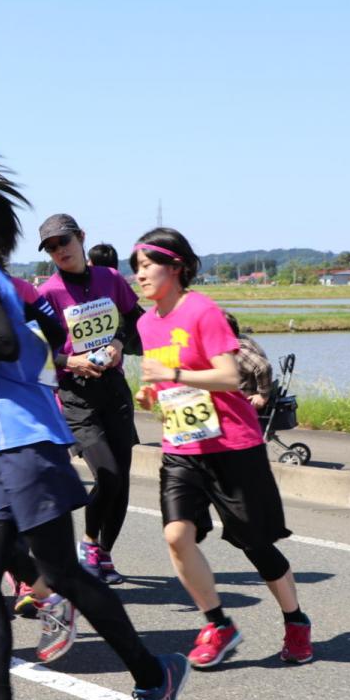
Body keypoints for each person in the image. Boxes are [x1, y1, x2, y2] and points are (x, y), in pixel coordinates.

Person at [0, 152, 188, 700]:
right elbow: (31, 343)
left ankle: (152, 673)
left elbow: (5, 342)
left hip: (26, 443)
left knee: (61, 573)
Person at [133, 227, 313, 669]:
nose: (139, 275)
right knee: (177, 535)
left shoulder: (202, 311)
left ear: (176, 267)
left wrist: (172, 375)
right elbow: (160, 378)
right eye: (134, 267)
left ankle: (295, 621)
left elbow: (228, 376)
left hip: (233, 444)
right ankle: (217, 623)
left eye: (147, 265)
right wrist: (150, 392)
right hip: (182, 446)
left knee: (254, 544)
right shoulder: (144, 322)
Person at [37, 213, 143, 583]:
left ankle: (104, 554)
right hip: (76, 395)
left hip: (113, 390)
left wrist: (116, 343)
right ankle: (88, 544)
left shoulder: (110, 279)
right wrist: (72, 361)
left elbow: (135, 320)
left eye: (63, 242)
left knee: (123, 481)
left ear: (81, 237)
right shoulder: (47, 293)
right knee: (108, 475)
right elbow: (37, 351)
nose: (59, 251)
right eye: (51, 247)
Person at [223, 312, 272, 411]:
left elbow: (263, 366)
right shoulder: (243, 338)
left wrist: (263, 396)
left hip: (241, 404)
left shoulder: (235, 350)